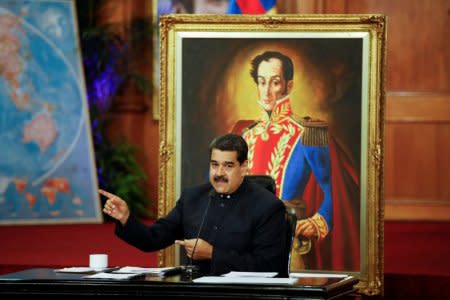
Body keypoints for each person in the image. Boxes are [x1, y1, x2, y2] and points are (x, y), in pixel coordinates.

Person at [232, 50, 360, 271]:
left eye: (275, 83)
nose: (267, 91)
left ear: (288, 86)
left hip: (285, 240)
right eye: (262, 82)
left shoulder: (307, 134)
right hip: (242, 239)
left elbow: (334, 191)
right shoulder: (244, 135)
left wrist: (317, 222)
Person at [100, 133, 288, 276]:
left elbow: (270, 266)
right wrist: (126, 219)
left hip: (245, 297)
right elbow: (153, 239)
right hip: (197, 294)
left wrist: (213, 254)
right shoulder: (193, 197)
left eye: (228, 166)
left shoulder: (268, 206)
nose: (219, 173)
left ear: (244, 167)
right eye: (214, 165)